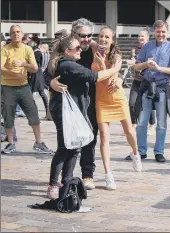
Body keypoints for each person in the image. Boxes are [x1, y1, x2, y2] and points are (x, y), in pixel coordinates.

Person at [46, 36, 119, 199]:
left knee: (74, 147)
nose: (80, 49)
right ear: (67, 51)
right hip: (64, 112)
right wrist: (116, 68)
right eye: (77, 47)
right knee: (64, 148)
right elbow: (95, 76)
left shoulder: (69, 62)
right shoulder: (67, 65)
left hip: (75, 111)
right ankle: (53, 184)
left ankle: (66, 182)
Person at [50, 18, 99, 189]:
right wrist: (51, 83)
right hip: (69, 102)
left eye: (89, 35)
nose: (86, 39)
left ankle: (87, 175)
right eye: (82, 36)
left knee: (89, 137)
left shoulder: (95, 49)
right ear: (73, 35)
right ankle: (59, 182)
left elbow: (113, 61)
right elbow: (48, 72)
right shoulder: (65, 51)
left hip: (91, 98)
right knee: (68, 144)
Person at [92, 26, 142, 190]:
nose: (103, 40)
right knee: (104, 137)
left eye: (107, 37)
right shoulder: (93, 51)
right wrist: (98, 61)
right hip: (101, 99)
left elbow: (109, 78)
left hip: (116, 97)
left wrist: (102, 66)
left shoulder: (117, 56)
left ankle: (135, 153)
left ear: (112, 40)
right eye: (101, 36)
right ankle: (108, 175)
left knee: (129, 131)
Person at [1, 25, 53, 154]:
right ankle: (11, 143)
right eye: (13, 32)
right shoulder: (5, 50)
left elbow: (35, 68)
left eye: (18, 32)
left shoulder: (28, 49)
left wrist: (23, 64)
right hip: (8, 87)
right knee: (8, 116)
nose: (16, 34)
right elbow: (1, 68)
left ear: (22, 34)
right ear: (10, 35)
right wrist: (15, 74)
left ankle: (39, 142)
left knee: (33, 113)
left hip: (24, 86)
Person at [133, 20, 170, 163]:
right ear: (154, 32)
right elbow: (136, 66)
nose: (161, 34)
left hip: (161, 87)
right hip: (147, 86)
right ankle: (141, 151)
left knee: (161, 123)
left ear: (167, 32)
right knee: (141, 122)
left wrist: (159, 68)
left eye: (163, 31)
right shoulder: (147, 46)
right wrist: (146, 64)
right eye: (158, 31)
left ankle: (159, 151)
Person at [127, 29, 156, 137]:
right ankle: (134, 124)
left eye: (143, 36)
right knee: (131, 103)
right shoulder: (135, 49)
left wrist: (136, 63)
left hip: (148, 81)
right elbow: (133, 62)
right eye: (139, 36)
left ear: (148, 37)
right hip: (137, 80)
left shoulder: (152, 50)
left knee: (148, 103)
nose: (140, 38)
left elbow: (149, 64)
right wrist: (131, 63)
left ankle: (152, 126)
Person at [27, 37, 50, 120]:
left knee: (37, 93)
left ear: (35, 42)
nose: (30, 42)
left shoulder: (37, 52)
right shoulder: (35, 52)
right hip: (36, 75)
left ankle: (47, 112)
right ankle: (46, 112)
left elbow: (34, 64)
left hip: (36, 75)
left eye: (31, 41)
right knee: (39, 93)